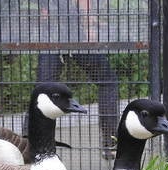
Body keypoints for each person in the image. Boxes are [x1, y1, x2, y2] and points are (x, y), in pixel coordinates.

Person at [34, 0, 119, 160]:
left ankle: (36, 146)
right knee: (107, 80)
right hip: (71, 31)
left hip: (52, 32)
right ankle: (110, 143)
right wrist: (88, 24)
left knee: (43, 90)